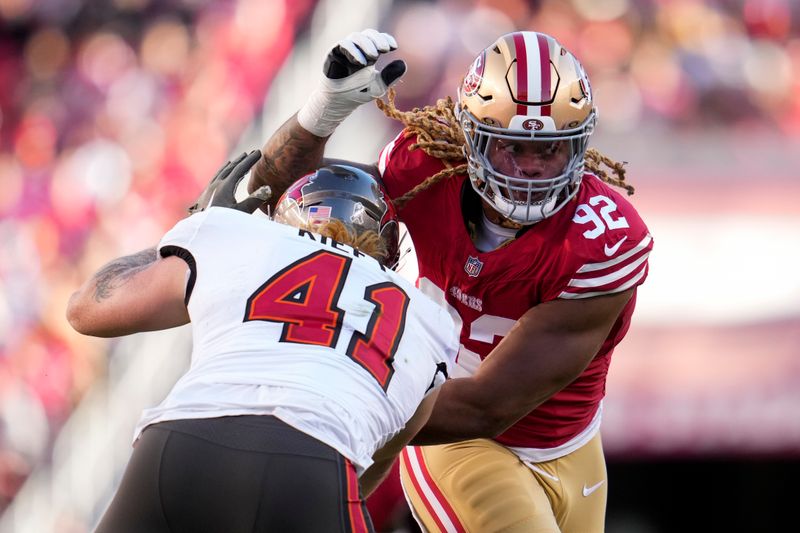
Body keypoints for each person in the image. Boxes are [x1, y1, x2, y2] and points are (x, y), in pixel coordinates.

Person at [246, 29, 654, 532]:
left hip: (571, 447)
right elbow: (279, 196)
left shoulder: (602, 240)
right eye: (510, 147)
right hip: (456, 439)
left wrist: (343, 407)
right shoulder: (428, 165)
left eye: (547, 151)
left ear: (579, 146)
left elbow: (491, 404)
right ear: (471, 136)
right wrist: (321, 114)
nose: (528, 170)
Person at [66, 151, 458, 533]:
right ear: (387, 245)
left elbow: (85, 309)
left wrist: (198, 228)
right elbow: (371, 463)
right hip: (313, 463)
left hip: (178, 447)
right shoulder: (427, 319)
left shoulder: (239, 240)